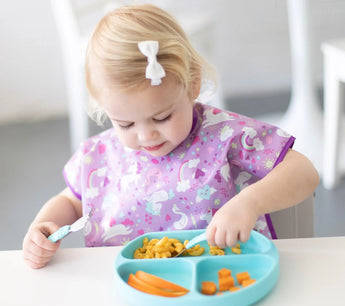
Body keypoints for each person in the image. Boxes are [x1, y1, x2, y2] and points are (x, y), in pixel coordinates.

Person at [23, 4, 319, 269]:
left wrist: (249, 203)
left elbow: (304, 172)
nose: (146, 134)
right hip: (134, 290)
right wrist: (42, 228)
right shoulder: (100, 156)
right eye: (125, 124)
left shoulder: (226, 135)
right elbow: (73, 202)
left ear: (191, 86)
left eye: (162, 117)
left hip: (221, 279)